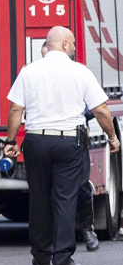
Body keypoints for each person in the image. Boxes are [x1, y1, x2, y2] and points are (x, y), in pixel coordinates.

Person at [3, 26, 119, 265]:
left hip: (36, 141)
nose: (75, 48)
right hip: (69, 143)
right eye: (74, 43)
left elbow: (15, 109)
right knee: (65, 199)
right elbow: (100, 110)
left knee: (39, 198)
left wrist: (11, 141)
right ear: (65, 44)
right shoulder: (80, 72)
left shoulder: (28, 71)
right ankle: (63, 257)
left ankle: (41, 256)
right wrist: (112, 137)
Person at [40, 41, 99, 253]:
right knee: (48, 192)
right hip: (47, 140)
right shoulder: (38, 77)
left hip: (74, 138)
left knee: (82, 187)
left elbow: (94, 107)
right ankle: (54, 238)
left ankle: (87, 229)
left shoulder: (79, 74)